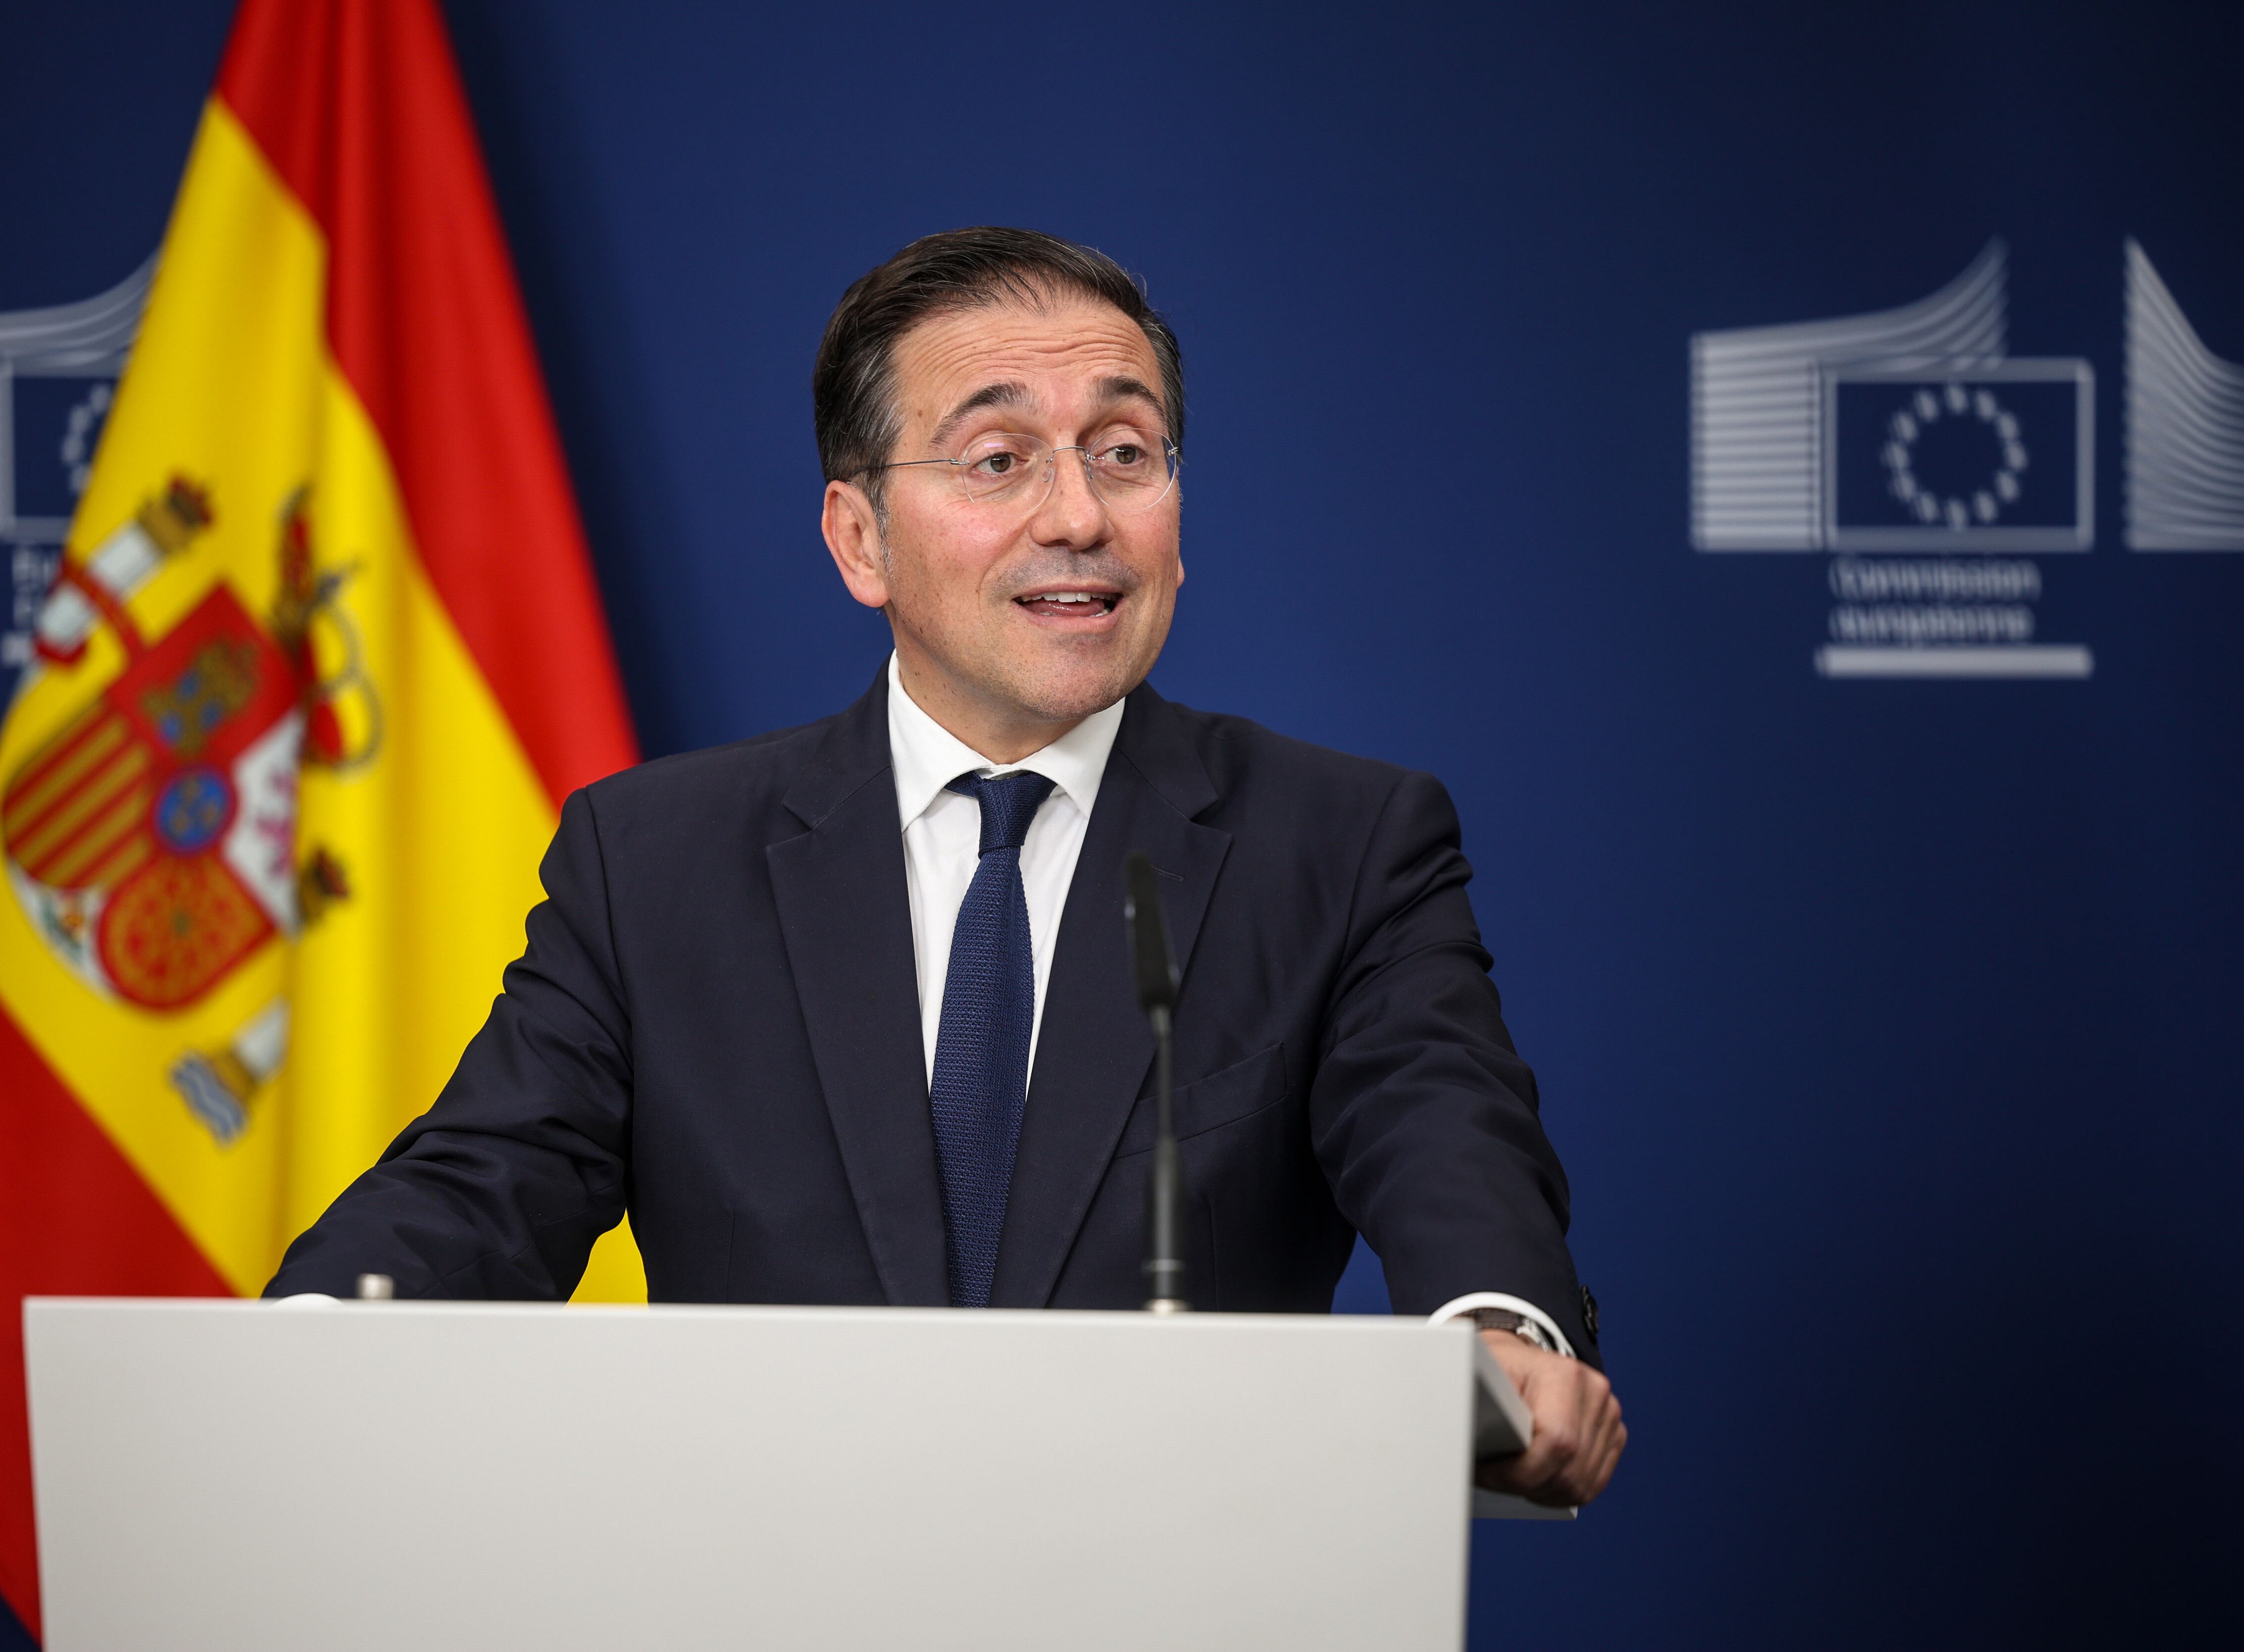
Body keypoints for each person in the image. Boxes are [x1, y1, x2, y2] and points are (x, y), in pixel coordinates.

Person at [268, 227, 1625, 1507]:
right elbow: (490, 1179)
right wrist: (299, 1350)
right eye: (998, 460)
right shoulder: (657, 859)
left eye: (1126, 451)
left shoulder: (1337, 842)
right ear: (862, 539)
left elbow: (1446, 1132)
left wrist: (1497, 1332)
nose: (1080, 516)